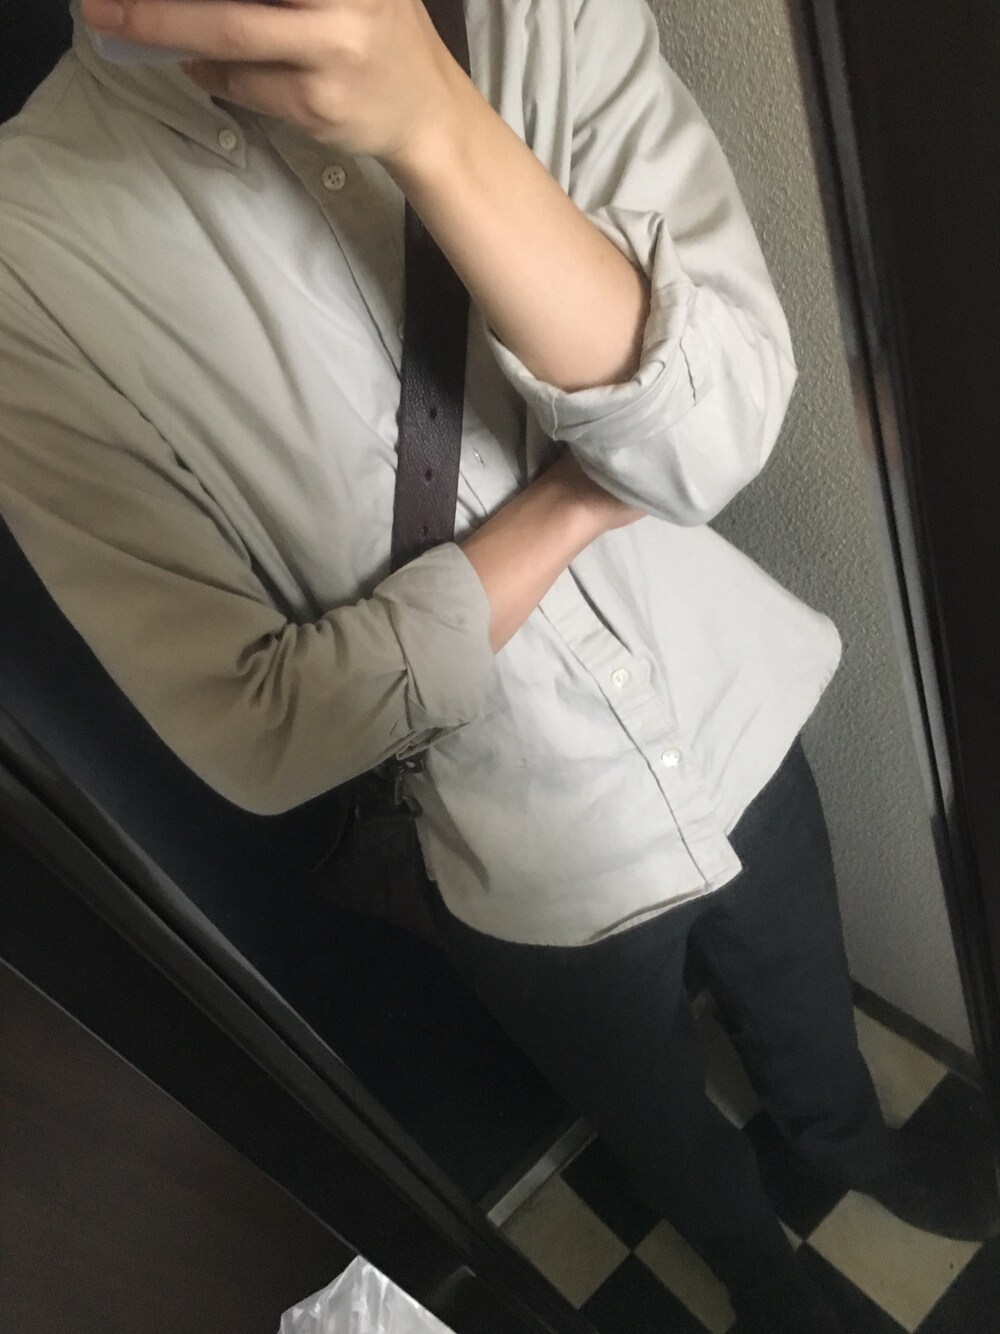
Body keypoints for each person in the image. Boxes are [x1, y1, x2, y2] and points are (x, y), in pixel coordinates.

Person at [0, 1, 994, 1328]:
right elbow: (265, 726)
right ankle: (755, 1267)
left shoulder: (526, 12)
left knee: (810, 1003)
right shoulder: (25, 255)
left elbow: (717, 429)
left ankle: (847, 1145)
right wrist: (575, 502)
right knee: (652, 1115)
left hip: (729, 702)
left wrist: (436, 122)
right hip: (516, 850)